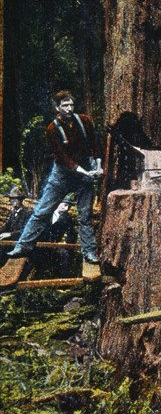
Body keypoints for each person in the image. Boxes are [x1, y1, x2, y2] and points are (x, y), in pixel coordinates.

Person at [7, 90, 102, 264]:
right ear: (57, 108)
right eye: (65, 105)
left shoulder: (84, 121)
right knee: (42, 211)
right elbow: (63, 157)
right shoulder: (52, 129)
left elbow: (95, 144)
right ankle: (23, 245)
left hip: (84, 174)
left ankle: (88, 252)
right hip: (62, 175)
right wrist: (82, 170)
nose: (69, 108)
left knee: (85, 215)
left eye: (71, 104)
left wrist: (98, 166)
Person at [21, 197, 78, 278]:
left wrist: (66, 242)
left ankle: (62, 284)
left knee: (64, 254)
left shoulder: (67, 218)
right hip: (39, 245)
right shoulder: (46, 213)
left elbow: (72, 233)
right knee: (31, 257)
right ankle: (23, 279)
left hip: (54, 246)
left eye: (68, 207)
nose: (66, 209)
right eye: (65, 205)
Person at [0, 186, 33, 266]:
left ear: (21, 200)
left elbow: (26, 231)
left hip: (20, 244)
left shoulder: (28, 212)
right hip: (10, 242)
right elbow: (6, 227)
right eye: (11, 199)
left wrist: (10, 234)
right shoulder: (13, 212)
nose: (13, 201)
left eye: (16, 199)